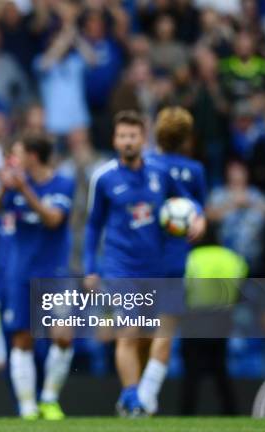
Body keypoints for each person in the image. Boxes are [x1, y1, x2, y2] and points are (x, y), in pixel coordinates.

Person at [83, 110, 205, 416]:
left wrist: (199, 219)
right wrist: (91, 269)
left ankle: (132, 398)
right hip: (119, 266)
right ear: (114, 138)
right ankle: (134, 397)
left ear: (143, 138)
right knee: (129, 331)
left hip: (156, 266)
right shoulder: (104, 177)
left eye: (133, 136)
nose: (127, 141)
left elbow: (189, 201)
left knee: (151, 338)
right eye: (122, 136)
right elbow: (93, 225)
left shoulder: (160, 173)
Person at [0, 135, 75, 420]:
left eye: (17, 152)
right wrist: (3, 188)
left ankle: (49, 398)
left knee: (63, 335)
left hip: (55, 273)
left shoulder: (62, 183)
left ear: (33, 156)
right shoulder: (12, 187)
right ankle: (27, 407)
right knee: (22, 338)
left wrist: (24, 188)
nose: (13, 159)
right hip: (20, 272)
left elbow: (53, 219)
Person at [136, 107, 207, 415]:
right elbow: (198, 214)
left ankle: (135, 395)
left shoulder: (147, 164)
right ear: (186, 138)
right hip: (176, 259)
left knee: (139, 332)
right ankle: (147, 397)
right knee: (165, 332)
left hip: (143, 256)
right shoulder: (195, 170)